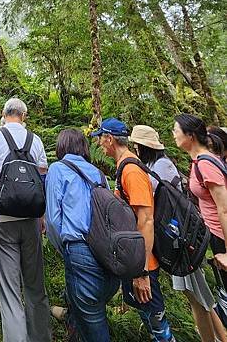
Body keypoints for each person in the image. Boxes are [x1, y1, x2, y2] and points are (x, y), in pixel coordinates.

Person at [131, 125, 227, 342]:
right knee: (195, 295)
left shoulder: (162, 166)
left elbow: (151, 197)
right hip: (174, 239)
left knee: (201, 296)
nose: (135, 148)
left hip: (181, 240)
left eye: (137, 144)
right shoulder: (153, 164)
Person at [93, 117, 176, 342]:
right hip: (136, 259)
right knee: (147, 313)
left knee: (157, 321)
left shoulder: (131, 170)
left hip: (143, 263)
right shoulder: (125, 166)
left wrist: (142, 271)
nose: (99, 144)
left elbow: (146, 220)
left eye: (100, 138)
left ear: (109, 139)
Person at [0, 98, 51, 342]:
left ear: (3, 114)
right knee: (34, 286)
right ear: (24, 115)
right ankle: (40, 337)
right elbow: (42, 181)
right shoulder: (36, 140)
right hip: (31, 219)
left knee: (9, 291)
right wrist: (41, 218)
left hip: (0, 220)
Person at [46, 128, 120, 342]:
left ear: (61, 147)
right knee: (87, 309)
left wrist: (65, 247)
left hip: (78, 247)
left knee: (93, 316)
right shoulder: (97, 173)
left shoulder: (58, 169)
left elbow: (52, 218)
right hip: (105, 249)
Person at [173, 115, 227, 286]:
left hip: (221, 235)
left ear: (191, 135)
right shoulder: (199, 161)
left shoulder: (205, 164)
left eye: (176, 130)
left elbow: (224, 208)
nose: (173, 134)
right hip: (216, 234)